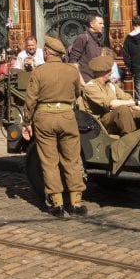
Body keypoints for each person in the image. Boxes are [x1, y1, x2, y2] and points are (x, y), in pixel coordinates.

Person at [23, 35, 86, 216]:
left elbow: (30, 100)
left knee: (49, 161)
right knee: (72, 160)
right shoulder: (72, 71)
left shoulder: (38, 72)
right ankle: (76, 202)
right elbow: (76, 94)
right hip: (67, 117)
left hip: (44, 118)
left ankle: (56, 203)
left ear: (48, 53)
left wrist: (27, 122)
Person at [82, 52, 140, 135]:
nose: (111, 72)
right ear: (100, 72)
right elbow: (111, 104)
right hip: (100, 124)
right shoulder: (90, 87)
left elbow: (127, 99)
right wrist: (137, 102)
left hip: (114, 118)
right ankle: (130, 141)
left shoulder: (110, 84)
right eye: (109, 70)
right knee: (122, 109)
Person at [67, 13, 106, 83]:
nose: (103, 26)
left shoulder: (97, 40)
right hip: (85, 80)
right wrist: (82, 82)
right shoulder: (83, 38)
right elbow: (73, 61)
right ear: (92, 24)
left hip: (95, 80)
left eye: (102, 23)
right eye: (100, 23)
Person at [122, 15, 140, 102]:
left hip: (136, 66)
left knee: (139, 90)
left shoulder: (128, 38)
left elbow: (125, 55)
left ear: (132, 24)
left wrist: (129, 67)